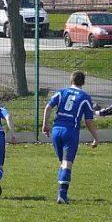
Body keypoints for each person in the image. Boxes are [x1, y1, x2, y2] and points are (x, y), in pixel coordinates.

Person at [42, 71, 99, 205]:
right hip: (70, 132)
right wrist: (96, 137)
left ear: (70, 80)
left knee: (63, 163)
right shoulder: (85, 97)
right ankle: (62, 195)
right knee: (67, 164)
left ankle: (62, 192)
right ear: (83, 82)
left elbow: (48, 107)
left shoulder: (61, 92)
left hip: (57, 130)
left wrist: (45, 125)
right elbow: (89, 121)